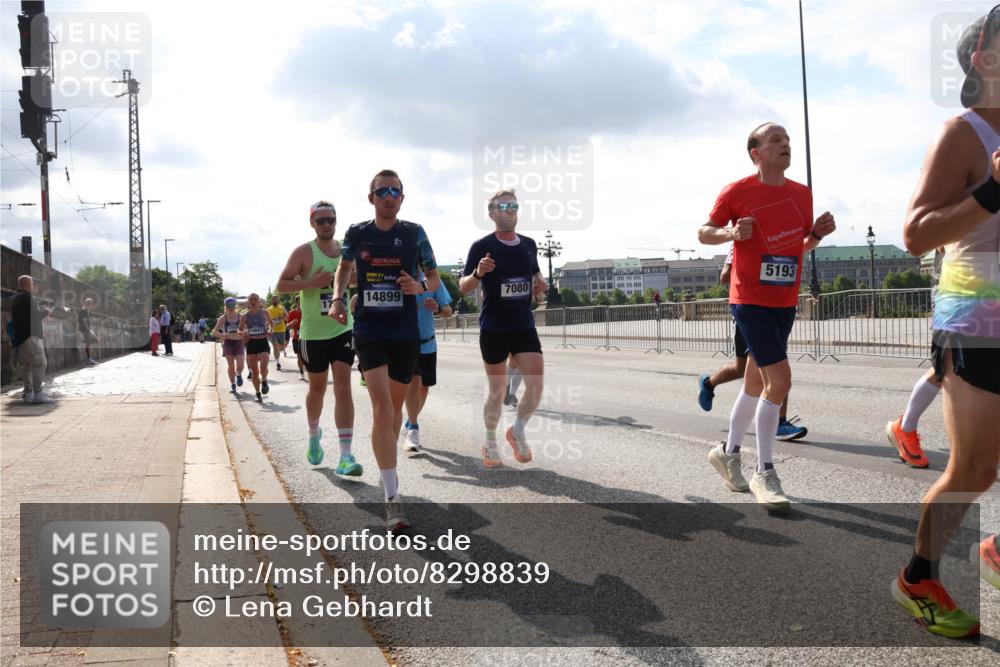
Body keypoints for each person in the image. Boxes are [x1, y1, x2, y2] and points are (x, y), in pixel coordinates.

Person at [890, 12, 1000, 638]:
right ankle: (918, 577)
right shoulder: (963, 134)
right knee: (975, 471)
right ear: (985, 59)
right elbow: (914, 235)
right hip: (977, 320)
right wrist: (994, 188)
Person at [698, 122, 835, 509]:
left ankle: (727, 452)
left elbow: (798, 247)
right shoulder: (738, 191)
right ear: (756, 152)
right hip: (750, 298)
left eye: (788, 140)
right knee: (781, 380)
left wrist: (818, 236)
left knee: (755, 383)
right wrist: (730, 234)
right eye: (776, 140)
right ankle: (765, 472)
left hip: (784, 300)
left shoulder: (801, 194)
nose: (785, 145)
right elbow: (704, 231)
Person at [330, 170, 440, 532]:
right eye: (382, 191)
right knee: (381, 408)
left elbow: (435, 279)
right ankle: (393, 499)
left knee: (392, 414)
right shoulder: (357, 233)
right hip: (369, 328)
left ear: (402, 199)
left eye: (395, 191)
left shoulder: (414, 233)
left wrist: (419, 285)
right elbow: (344, 269)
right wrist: (337, 298)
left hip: (405, 330)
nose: (389, 197)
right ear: (371, 197)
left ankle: (385, 463)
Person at [459, 189, 548, 469]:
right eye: (504, 206)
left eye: (514, 205)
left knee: (535, 388)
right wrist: (478, 273)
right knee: (497, 391)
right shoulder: (482, 246)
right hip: (494, 328)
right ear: (492, 213)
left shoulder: (530, 244)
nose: (510, 210)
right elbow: (463, 287)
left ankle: (517, 431)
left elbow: (535, 274)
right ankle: (490, 441)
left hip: (523, 325)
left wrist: (540, 284)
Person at [276, 200, 362, 477]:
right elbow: (281, 285)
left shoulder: (346, 252)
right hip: (313, 333)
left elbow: (359, 279)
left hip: (342, 328)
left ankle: (346, 456)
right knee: (317, 389)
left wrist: (352, 282)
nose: (327, 225)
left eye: (331, 220)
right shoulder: (304, 252)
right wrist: (310, 282)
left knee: (343, 388)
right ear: (312, 223)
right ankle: (314, 432)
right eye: (321, 220)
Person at [698, 249, 808, 441]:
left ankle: (709, 384)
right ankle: (776, 424)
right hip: (750, 313)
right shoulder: (741, 244)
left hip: (774, 311)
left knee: (765, 366)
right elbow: (724, 276)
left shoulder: (778, 241)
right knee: (761, 367)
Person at [401, 271, 453, 452]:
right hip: (405, 342)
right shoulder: (398, 276)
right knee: (414, 383)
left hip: (428, 343)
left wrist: (437, 308)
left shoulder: (432, 279)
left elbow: (448, 311)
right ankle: (413, 429)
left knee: (424, 388)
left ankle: (409, 420)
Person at [10, 275, 54, 403]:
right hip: (31, 336)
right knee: (40, 363)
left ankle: (28, 393)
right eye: (33, 283)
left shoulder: (16, 297)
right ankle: (38, 393)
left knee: (27, 366)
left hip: (22, 337)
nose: (34, 286)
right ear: (29, 284)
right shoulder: (27, 297)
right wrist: (46, 311)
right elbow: (34, 317)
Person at [240, 293, 273, 402]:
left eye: (255, 299)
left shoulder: (265, 312)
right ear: (248, 302)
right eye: (251, 300)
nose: (253, 301)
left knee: (263, 367)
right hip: (251, 343)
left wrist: (270, 330)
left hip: (263, 342)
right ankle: (258, 393)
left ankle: (264, 381)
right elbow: (239, 330)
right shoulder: (244, 315)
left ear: (259, 301)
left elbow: (271, 323)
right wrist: (243, 333)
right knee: (255, 371)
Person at [213, 297, 246, 395]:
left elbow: (247, 329)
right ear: (226, 306)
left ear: (235, 305)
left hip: (239, 342)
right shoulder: (223, 318)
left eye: (233, 304)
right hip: (228, 343)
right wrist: (222, 335)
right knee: (231, 366)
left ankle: (239, 374)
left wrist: (243, 332)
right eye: (229, 305)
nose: (231, 306)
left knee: (240, 365)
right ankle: (233, 384)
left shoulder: (240, 317)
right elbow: (214, 331)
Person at [267, 295, 289, 370]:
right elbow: (265, 320)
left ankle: (281, 350)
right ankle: (278, 363)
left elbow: (287, 317)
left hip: (281, 330)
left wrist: (282, 317)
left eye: (276, 300)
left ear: (278, 301)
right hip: (273, 331)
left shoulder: (282, 308)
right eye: (273, 300)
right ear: (271, 301)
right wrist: (268, 326)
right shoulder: (269, 309)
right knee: (275, 347)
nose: (274, 301)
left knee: (281, 347)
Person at [285, 296, 305, 379]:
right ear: (296, 303)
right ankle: (301, 372)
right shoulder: (292, 313)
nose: (301, 303)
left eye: (303, 301)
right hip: (297, 338)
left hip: (309, 338)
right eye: (299, 302)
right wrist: (292, 323)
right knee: (299, 356)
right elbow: (287, 326)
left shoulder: (309, 312)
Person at [77, 297, 99, 365]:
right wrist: (89, 330)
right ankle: (89, 359)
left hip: (86, 329)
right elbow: (84, 321)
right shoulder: (84, 310)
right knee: (89, 343)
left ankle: (89, 359)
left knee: (92, 342)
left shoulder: (85, 310)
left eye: (90, 303)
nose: (90, 305)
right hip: (85, 329)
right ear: (86, 303)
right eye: (89, 303)